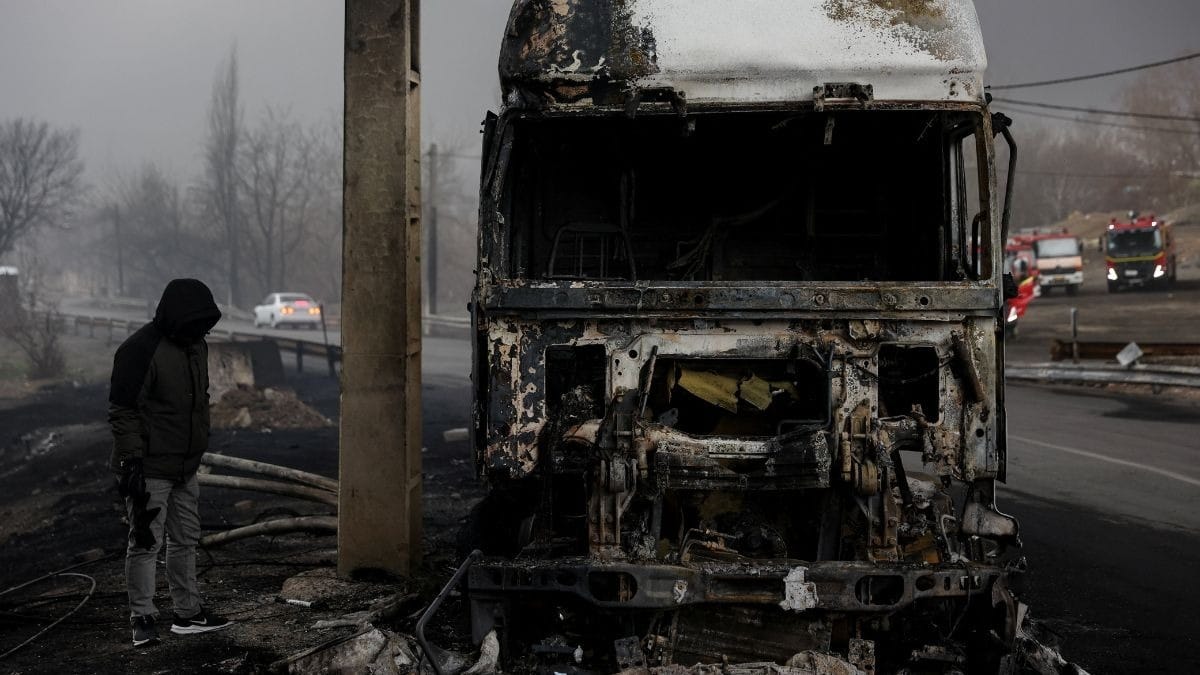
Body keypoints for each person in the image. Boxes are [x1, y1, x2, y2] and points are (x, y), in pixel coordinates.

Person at [108, 279, 232, 647]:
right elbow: (122, 410)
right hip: (148, 468)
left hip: (184, 466)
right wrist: (131, 462)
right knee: (145, 542)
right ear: (178, 317)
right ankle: (142, 618)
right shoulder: (138, 350)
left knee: (185, 540)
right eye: (197, 323)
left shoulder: (197, 345)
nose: (203, 330)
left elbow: (200, 399)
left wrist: (199, 444)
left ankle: (188, 614)